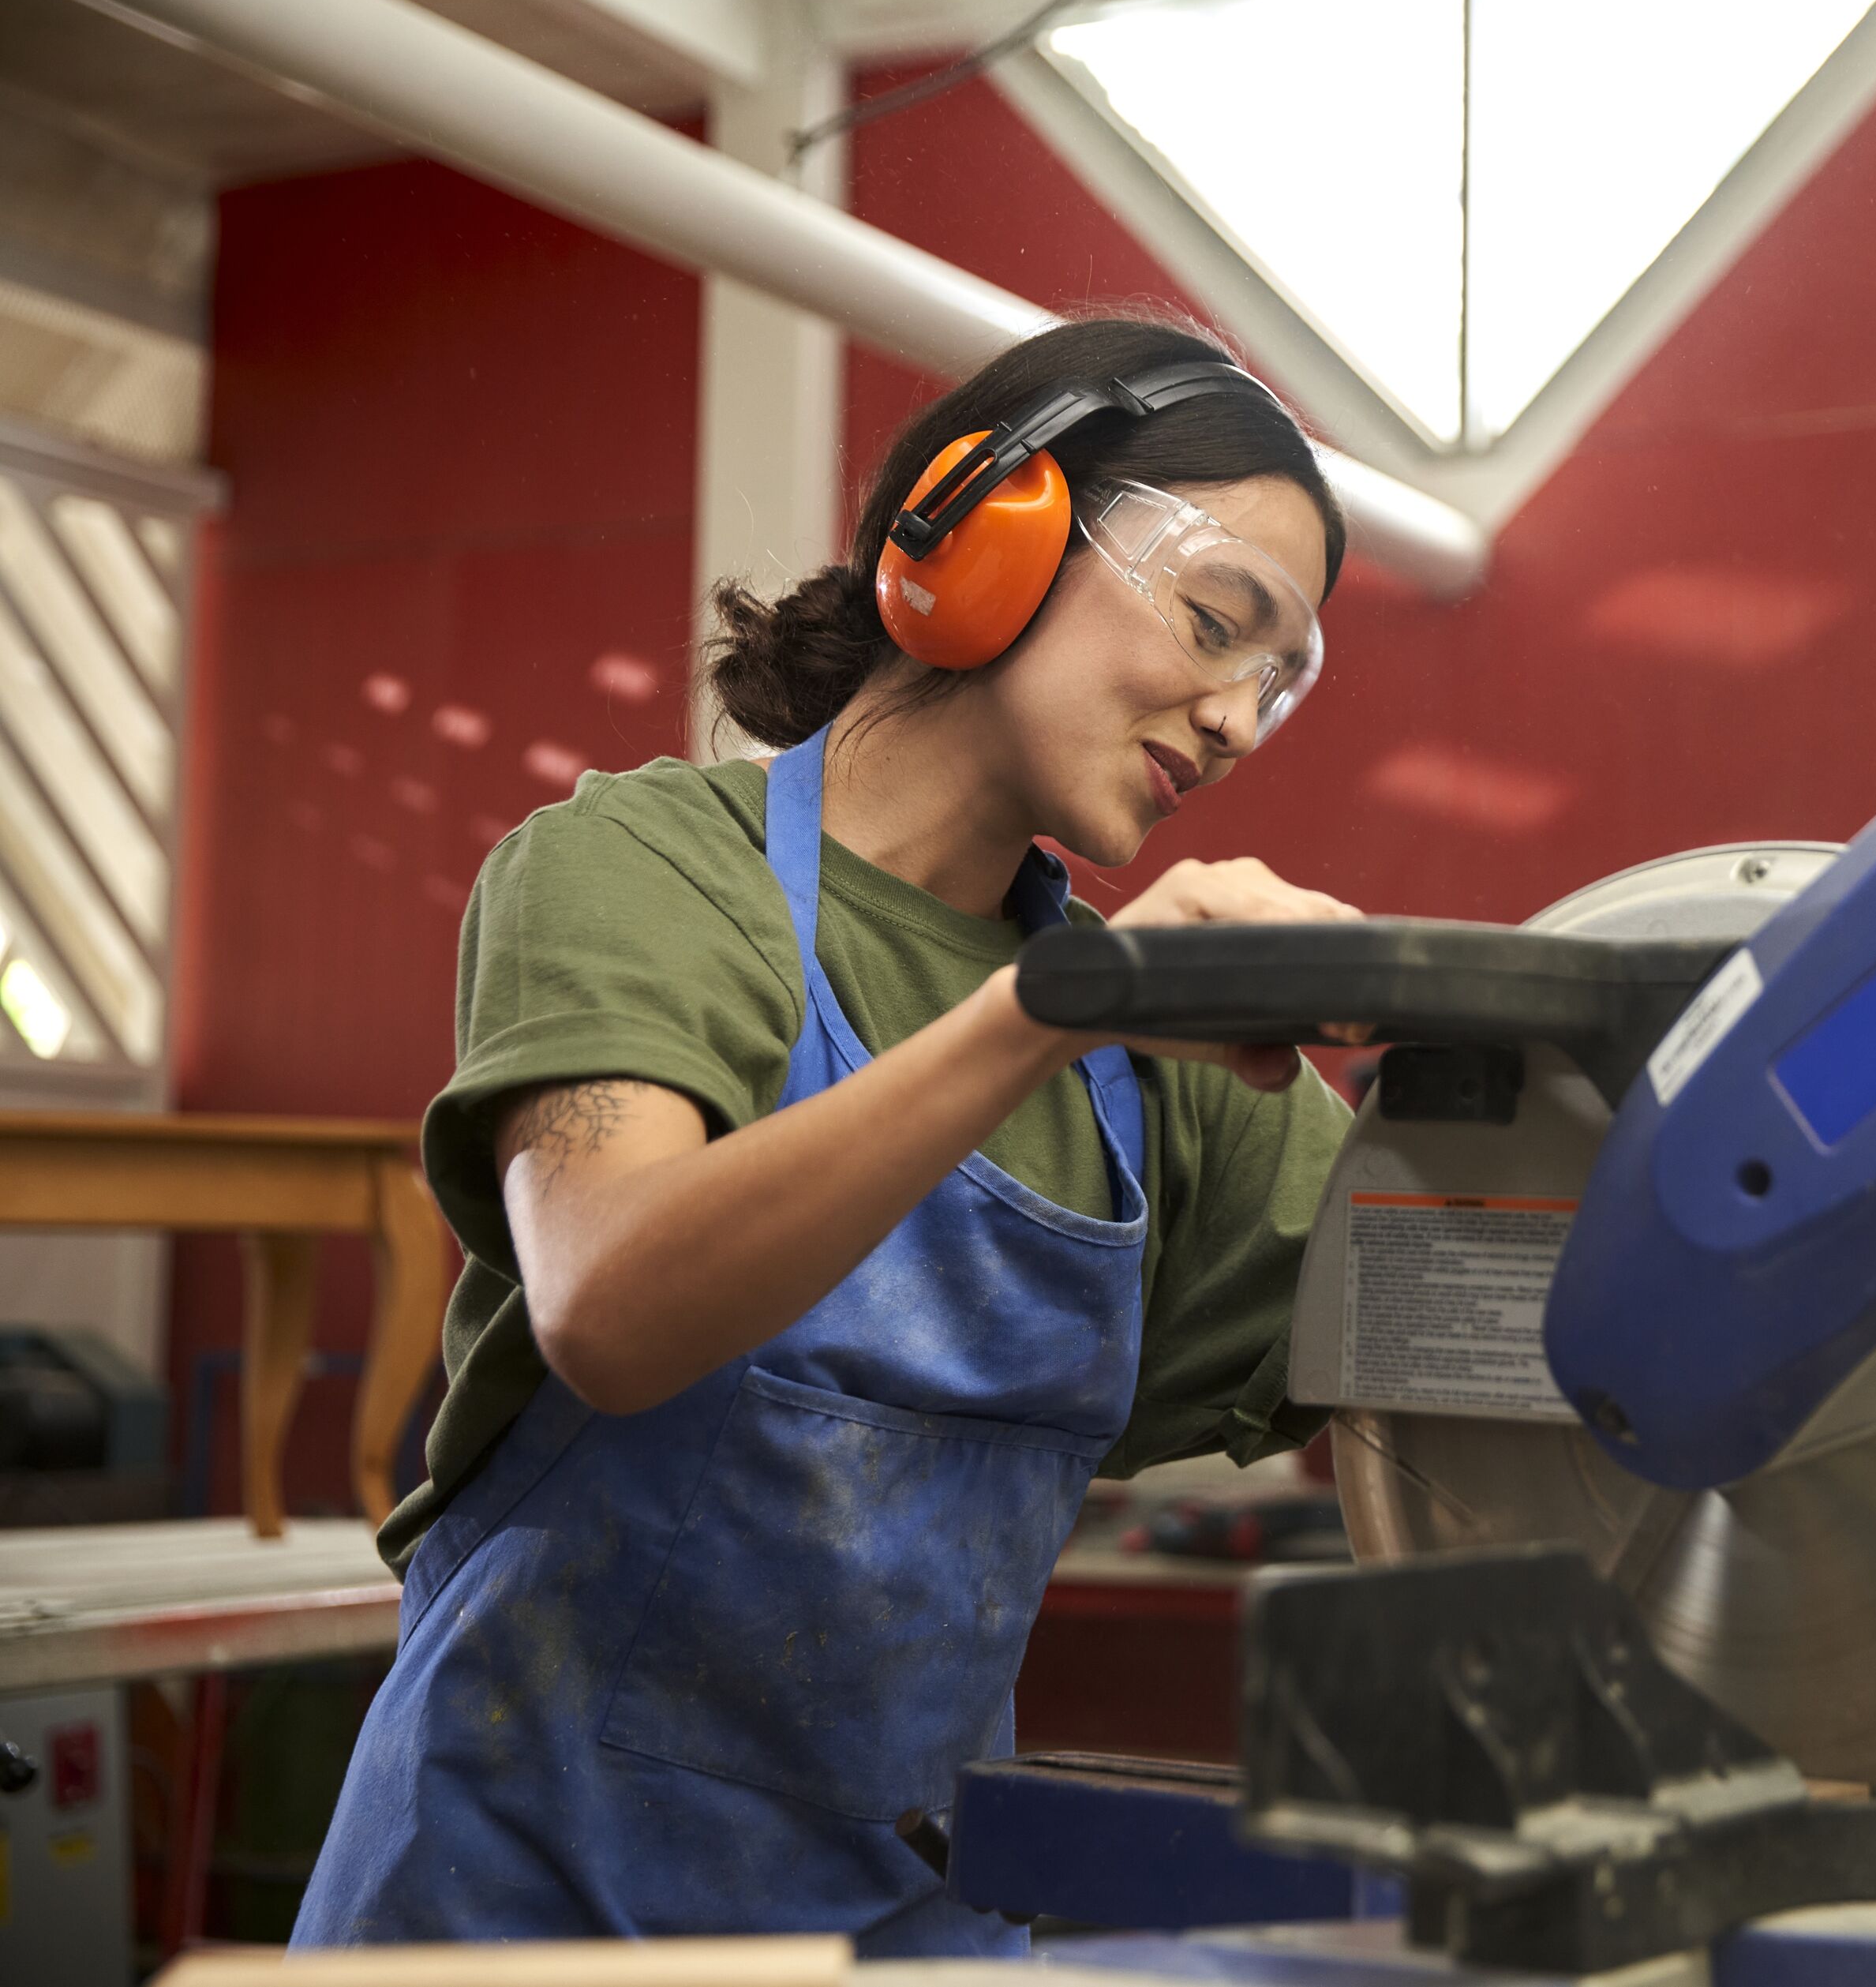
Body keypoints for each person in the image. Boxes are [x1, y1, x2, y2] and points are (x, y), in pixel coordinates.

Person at [294, 317, 1365, 1954]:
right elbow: (615, 1307)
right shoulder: (643, 873)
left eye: (1274, 686)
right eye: (1218, 623)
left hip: (902, 1935)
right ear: (987, 528)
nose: (1231, 717)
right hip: (511, 1915)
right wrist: (1049, 1011)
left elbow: (1471, 1338)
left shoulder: (1163, 1064)